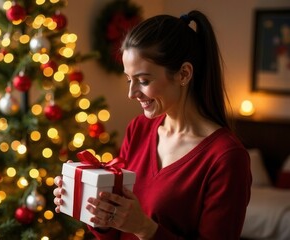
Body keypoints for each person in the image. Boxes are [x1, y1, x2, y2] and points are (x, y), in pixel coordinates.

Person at [54, 10, 251, 240]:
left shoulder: (226, 157)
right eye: (129, 80)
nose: (131, 93)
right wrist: (96, 212)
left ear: (184, 74)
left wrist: (145, 228)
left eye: (143, 81)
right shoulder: (138, 129)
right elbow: (116, 233)